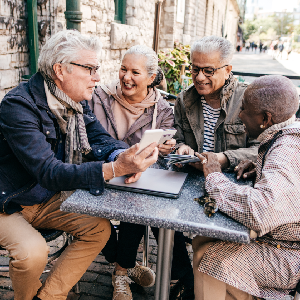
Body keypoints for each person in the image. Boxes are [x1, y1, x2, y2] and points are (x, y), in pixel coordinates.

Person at [0, 30, 159, 300]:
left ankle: (49, 296)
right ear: (60, 70)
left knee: (99, 229)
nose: (97, 77)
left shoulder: (75, 103)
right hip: (9, 202)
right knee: (33, 253)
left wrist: (125, 155)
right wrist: (114, 169)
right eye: (90, 69)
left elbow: (99, 139)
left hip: (45, 197)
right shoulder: (19, 106)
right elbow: (49, 172)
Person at [89, 45, 194, 300]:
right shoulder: (98, 97)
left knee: (144, 203)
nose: (126, 77)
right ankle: (179, 276)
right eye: (123, 69)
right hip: (102, 173)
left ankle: (122, 272)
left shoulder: (163, 110)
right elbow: (90, 141)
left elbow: (164, 154)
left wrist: (168, 149)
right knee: (143, 206)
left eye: (135, 72)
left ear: (150, 77)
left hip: (136, 180)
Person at [193, 75, 300, 300]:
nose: (240, 115)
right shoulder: (284, 136)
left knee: (212, 261)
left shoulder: (286, 152)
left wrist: (214, 177)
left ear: (265, 118)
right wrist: (260, 168)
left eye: (244, 109)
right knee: (202, 239)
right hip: (281, 239)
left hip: (290, 255)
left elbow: (261, 211)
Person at [174, 36, 258, 173]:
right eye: (195, 69)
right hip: (190, 178)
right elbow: (177, 139)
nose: (200, 77)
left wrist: (225, 159)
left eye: (208, 71)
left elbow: (262, 149)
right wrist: (181, 148)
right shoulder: (184, 100)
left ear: (227, 71)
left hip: (233, 180)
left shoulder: (247, 99)